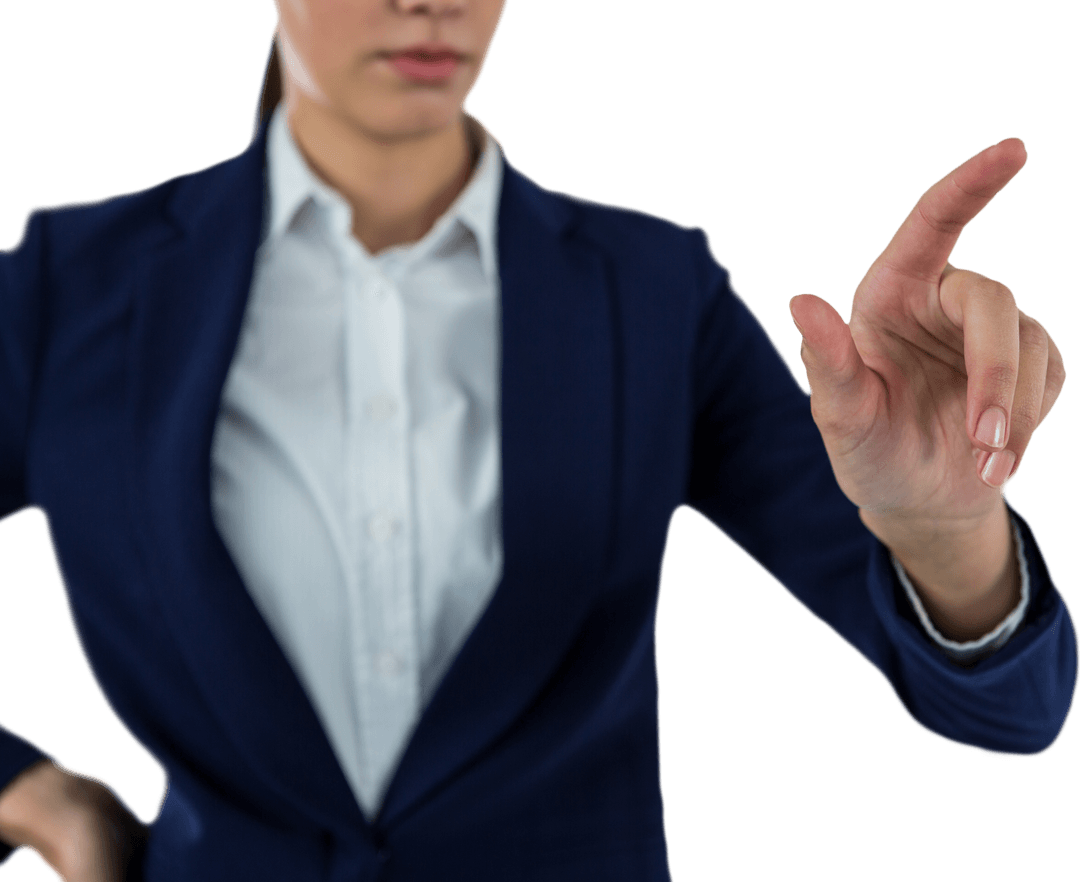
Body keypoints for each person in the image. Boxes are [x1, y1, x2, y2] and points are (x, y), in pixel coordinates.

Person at [0, 1, 1075, 880]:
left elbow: (1015, 710)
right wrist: (37, 797)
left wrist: (945, 522)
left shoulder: (656, 294)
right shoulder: (74, 287)